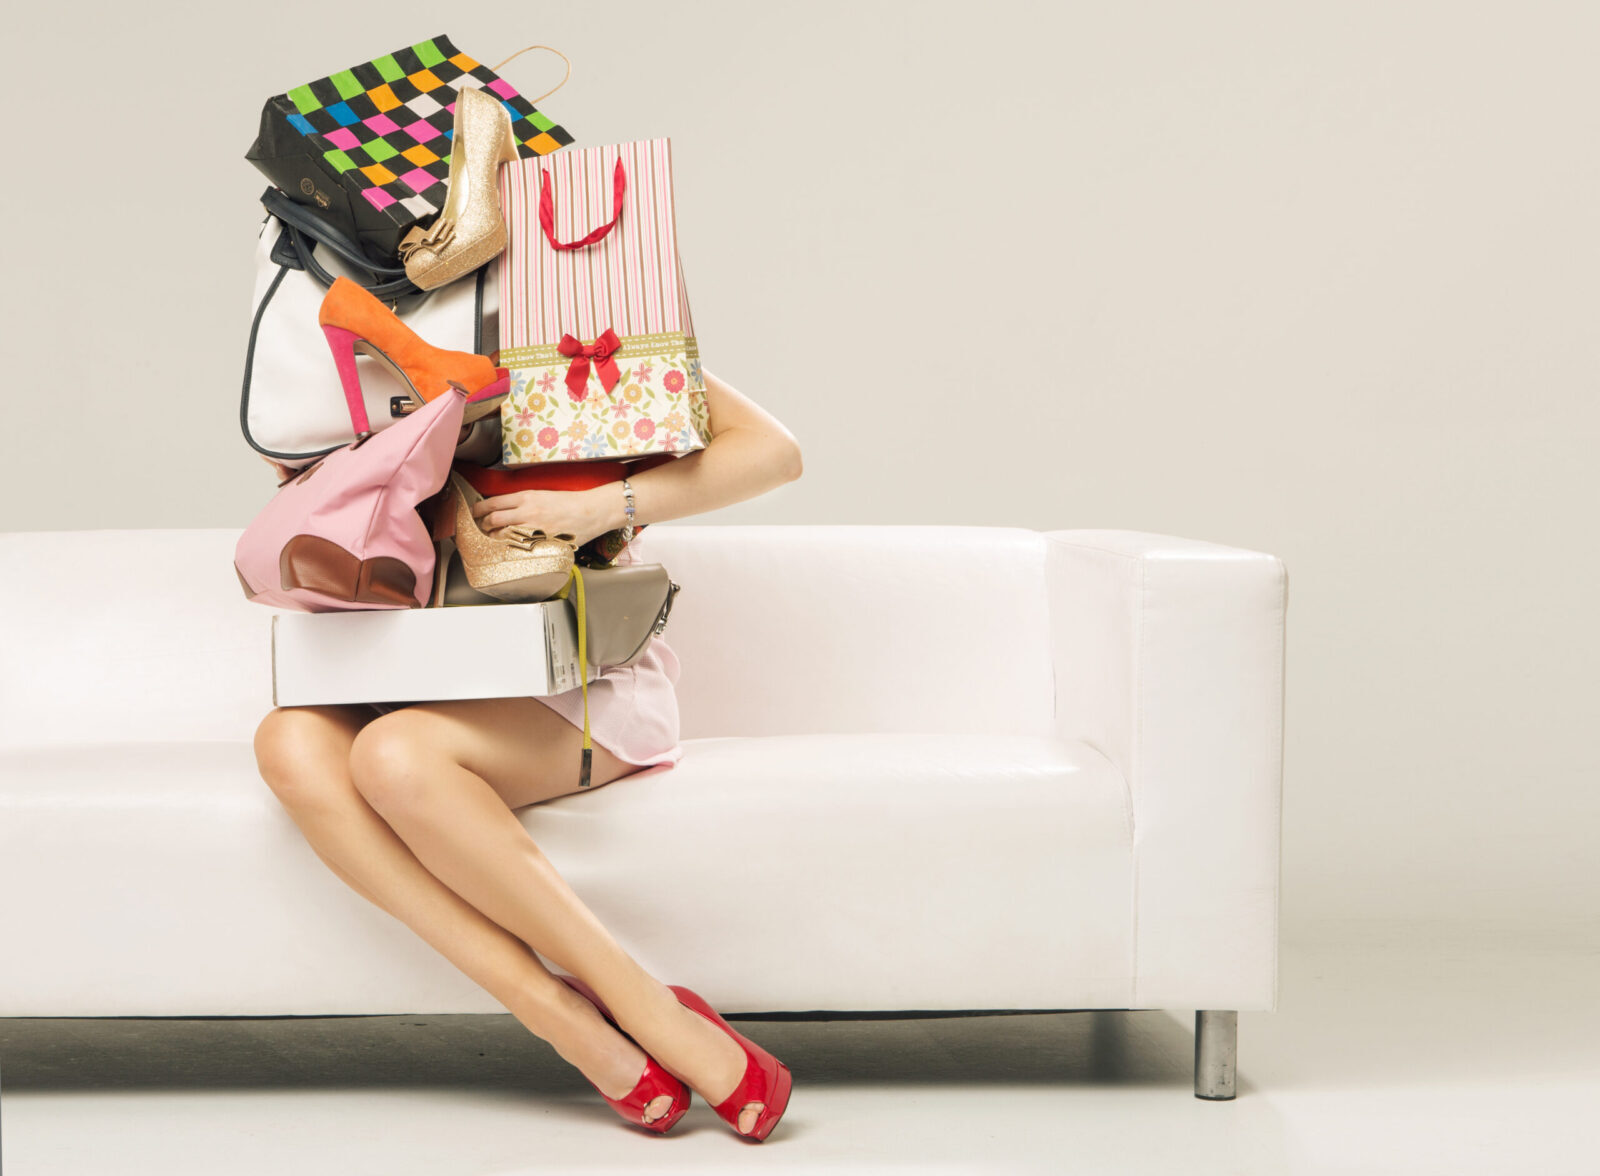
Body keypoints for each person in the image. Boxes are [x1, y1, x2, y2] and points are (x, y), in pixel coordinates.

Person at [252, 367, 803, 1137]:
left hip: (573, 683)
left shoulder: (564, 319)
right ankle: (552, 1012)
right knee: (289, 740)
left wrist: (598, 507)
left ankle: (644, 1006)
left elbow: (773, 452)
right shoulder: (350, 340)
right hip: (405, 668)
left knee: (395, 756)